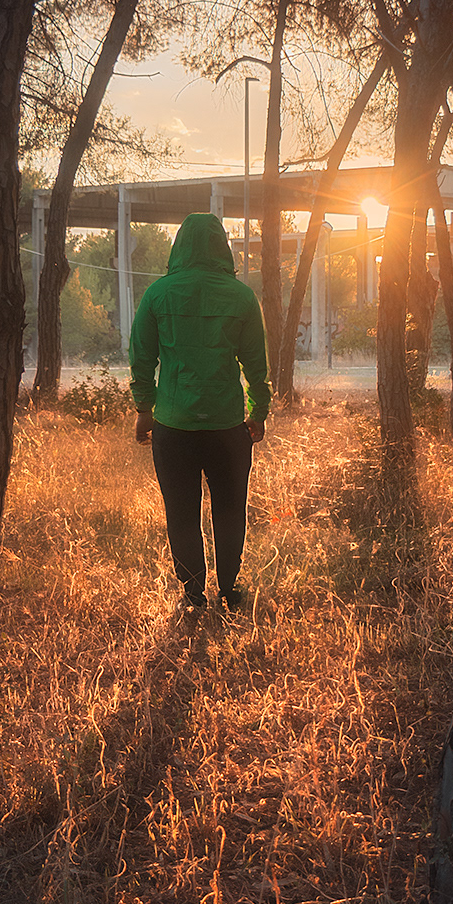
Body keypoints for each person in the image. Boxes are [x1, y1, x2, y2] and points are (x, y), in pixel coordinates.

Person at [129, 212, 270, 614]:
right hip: (228, 427)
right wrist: (257, 411)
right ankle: (230, 590)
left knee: (181, 511)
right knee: (230, 510)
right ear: (223, 246)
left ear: (179, 246)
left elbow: (142, 358)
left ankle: (193, 594)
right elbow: (256, 365)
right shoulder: (241, 297)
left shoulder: (158, 294)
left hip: (173, 426)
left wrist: (145, 409)